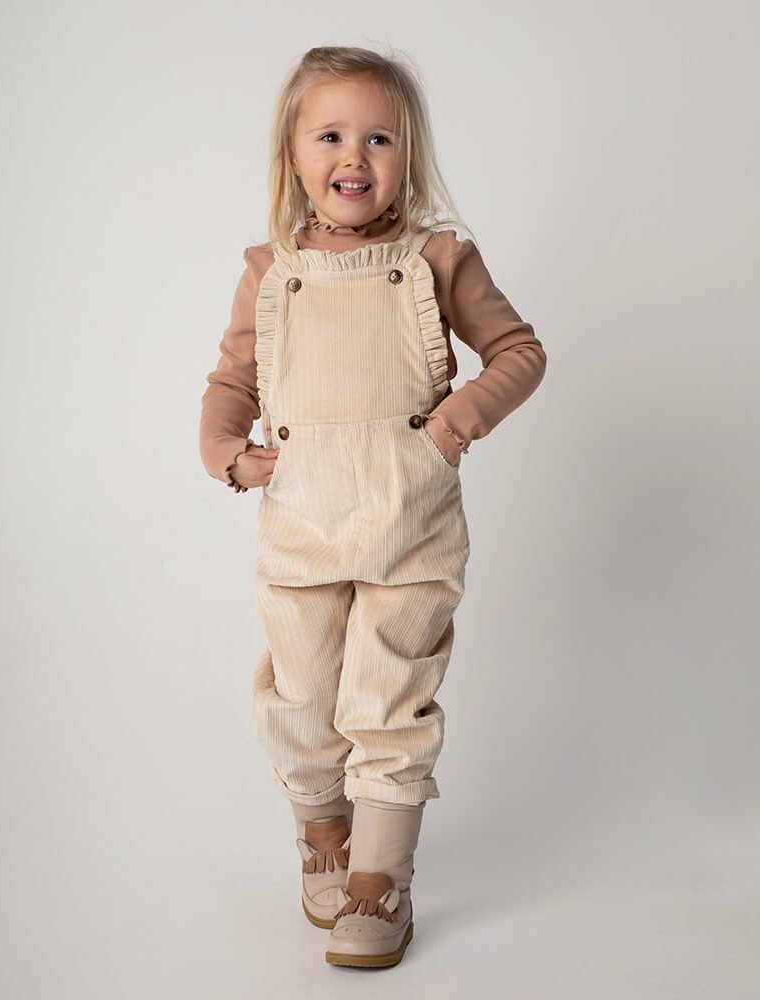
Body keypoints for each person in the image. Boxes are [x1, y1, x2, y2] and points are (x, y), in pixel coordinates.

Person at [199, 45, 547, 969]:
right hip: (301, 522)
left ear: (408, 155)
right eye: (330, 136)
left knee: (389, 698)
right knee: (304, 695)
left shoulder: (435, 259)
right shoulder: (270, 271)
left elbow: (519, 352)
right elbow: (231, 382)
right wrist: (227, 453)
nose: (354, 156)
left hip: (411, 523)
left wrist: (452, 427)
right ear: (293, 153)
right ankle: (323, 830)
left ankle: (380, 879)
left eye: (379, 138)